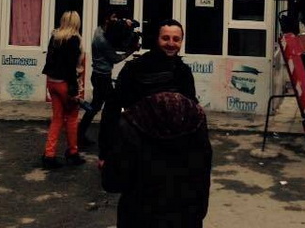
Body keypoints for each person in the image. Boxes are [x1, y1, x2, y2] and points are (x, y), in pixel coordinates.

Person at [101, 90, 212, 228]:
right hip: (187, 216)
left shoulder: (130, 123)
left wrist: (107, 165)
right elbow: (203, 174)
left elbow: (112, 182)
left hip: (139, 218)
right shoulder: (195, 119)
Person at [98, 19, 196, 162]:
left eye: (176, 39)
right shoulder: (134, 69)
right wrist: (105, 153)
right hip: (137, 151)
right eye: (165, 38)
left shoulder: (183, 72)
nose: (171, 43)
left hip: (172, 152)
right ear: (156, 39)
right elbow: (112, 111)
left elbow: (192, 114)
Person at [78, 12, 140, 148]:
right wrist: (131, 50)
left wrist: (127, 27)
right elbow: (115, 58)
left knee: (95, 106)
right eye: (114, 18)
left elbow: (115, 40)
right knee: (113, 105)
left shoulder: (100, 30)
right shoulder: (101, 39)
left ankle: (80, 134)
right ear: (106, 20)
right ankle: (112, 136)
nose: (116, 20)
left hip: (99, 75)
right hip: (102, 77)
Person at [41, 10, 85, 169]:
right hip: (66, 83)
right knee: (72, 118)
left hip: (52, 81)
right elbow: (70, 67)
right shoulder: (73, 39)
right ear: (76, 23)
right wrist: (74, 91)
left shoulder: (55, 36)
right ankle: (72, 152)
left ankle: (49, 154)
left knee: (57, 118)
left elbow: (49, 60)